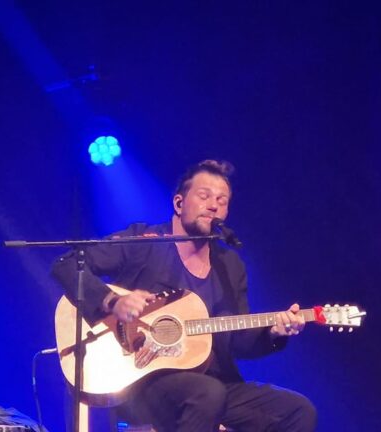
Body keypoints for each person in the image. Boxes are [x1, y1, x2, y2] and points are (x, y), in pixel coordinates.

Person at [52, 160, 316, 432]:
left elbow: (238, 342)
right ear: (179, 203)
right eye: (204, 196)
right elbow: (66, 266)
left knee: (298, 411)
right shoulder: (143, 241)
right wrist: (113, 301)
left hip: (215, 384)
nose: (213, 205)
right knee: (207, 394)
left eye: (222, 200)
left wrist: (273, 333)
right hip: (143, 383)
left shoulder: (230, 266)